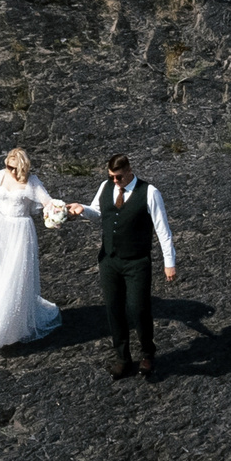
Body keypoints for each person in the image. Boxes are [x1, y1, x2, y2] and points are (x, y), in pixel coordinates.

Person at [68, 153, 178, 379]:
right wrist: (82, 210)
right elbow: (99, 213)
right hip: (109, 260)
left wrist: (170, 263)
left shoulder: (149, 192)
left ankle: (148, 353)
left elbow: (163, 230)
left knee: (139, 308)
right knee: (114, 309)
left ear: (129, 171)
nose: (114, 181)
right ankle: (122, 357)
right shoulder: (106, 187)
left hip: (137, 262)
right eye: (111, 177)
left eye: (118, 177)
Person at [0, 147, 66, 346]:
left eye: (12, 166)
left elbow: (47, 202)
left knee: (15, 274)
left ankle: (10, 326)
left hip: (20, 231)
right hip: (0, 228)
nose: (9, 169)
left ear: (22, 166)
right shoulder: (1, 176)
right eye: (7, 165)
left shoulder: (32, 182)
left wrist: (56, 214)